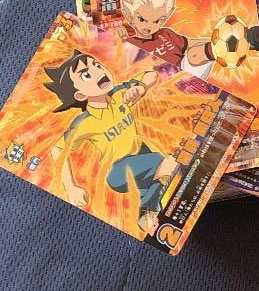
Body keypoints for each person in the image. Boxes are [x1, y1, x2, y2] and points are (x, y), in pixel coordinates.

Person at [43, 51, 175, 235]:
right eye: (86, 75)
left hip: (143, 157)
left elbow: (152, 75)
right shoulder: (84, 123)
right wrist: (70, 187)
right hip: (118, 172)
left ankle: (146, 216)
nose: (99, 72)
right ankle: (155, 195)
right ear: (80, 95)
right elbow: (57, 150)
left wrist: (141, 87)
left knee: (158, 181)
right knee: (166, 163)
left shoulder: (120, 93)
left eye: (97, 65)